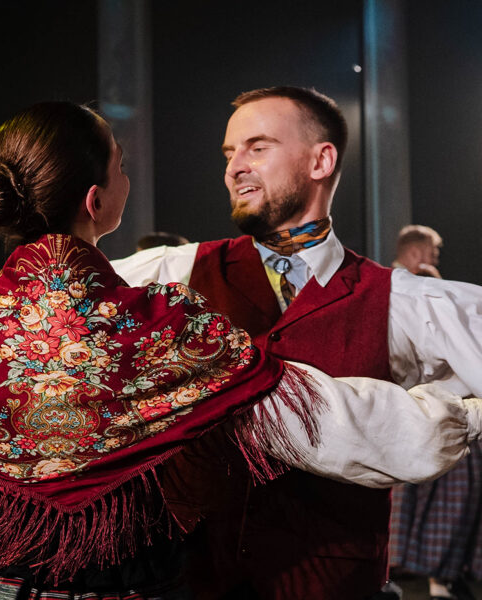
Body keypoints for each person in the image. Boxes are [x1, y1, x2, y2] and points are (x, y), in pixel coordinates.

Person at [0, 101, 480, 600]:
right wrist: (463, 414)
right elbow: (343, 425)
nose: (235, 166)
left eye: (257, 147)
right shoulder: (168, 327)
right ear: (95, 201)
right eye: (122, 166)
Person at [111, 86, 482, 600]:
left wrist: (450, 419)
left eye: (257, 147)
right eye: (229, 153)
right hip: (194, 583)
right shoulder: (175, 273)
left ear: (320, 161)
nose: (234, 168)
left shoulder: (401, 300)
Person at [390, 227, 482, 600]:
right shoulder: (406, 291)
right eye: (433, 252)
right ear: (417, 253)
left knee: (444, 498)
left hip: (434, 414)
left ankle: (439, 577)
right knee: (436, 497)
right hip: (418, 415)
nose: (436, 259)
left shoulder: (419, 288)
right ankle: (432, 577)